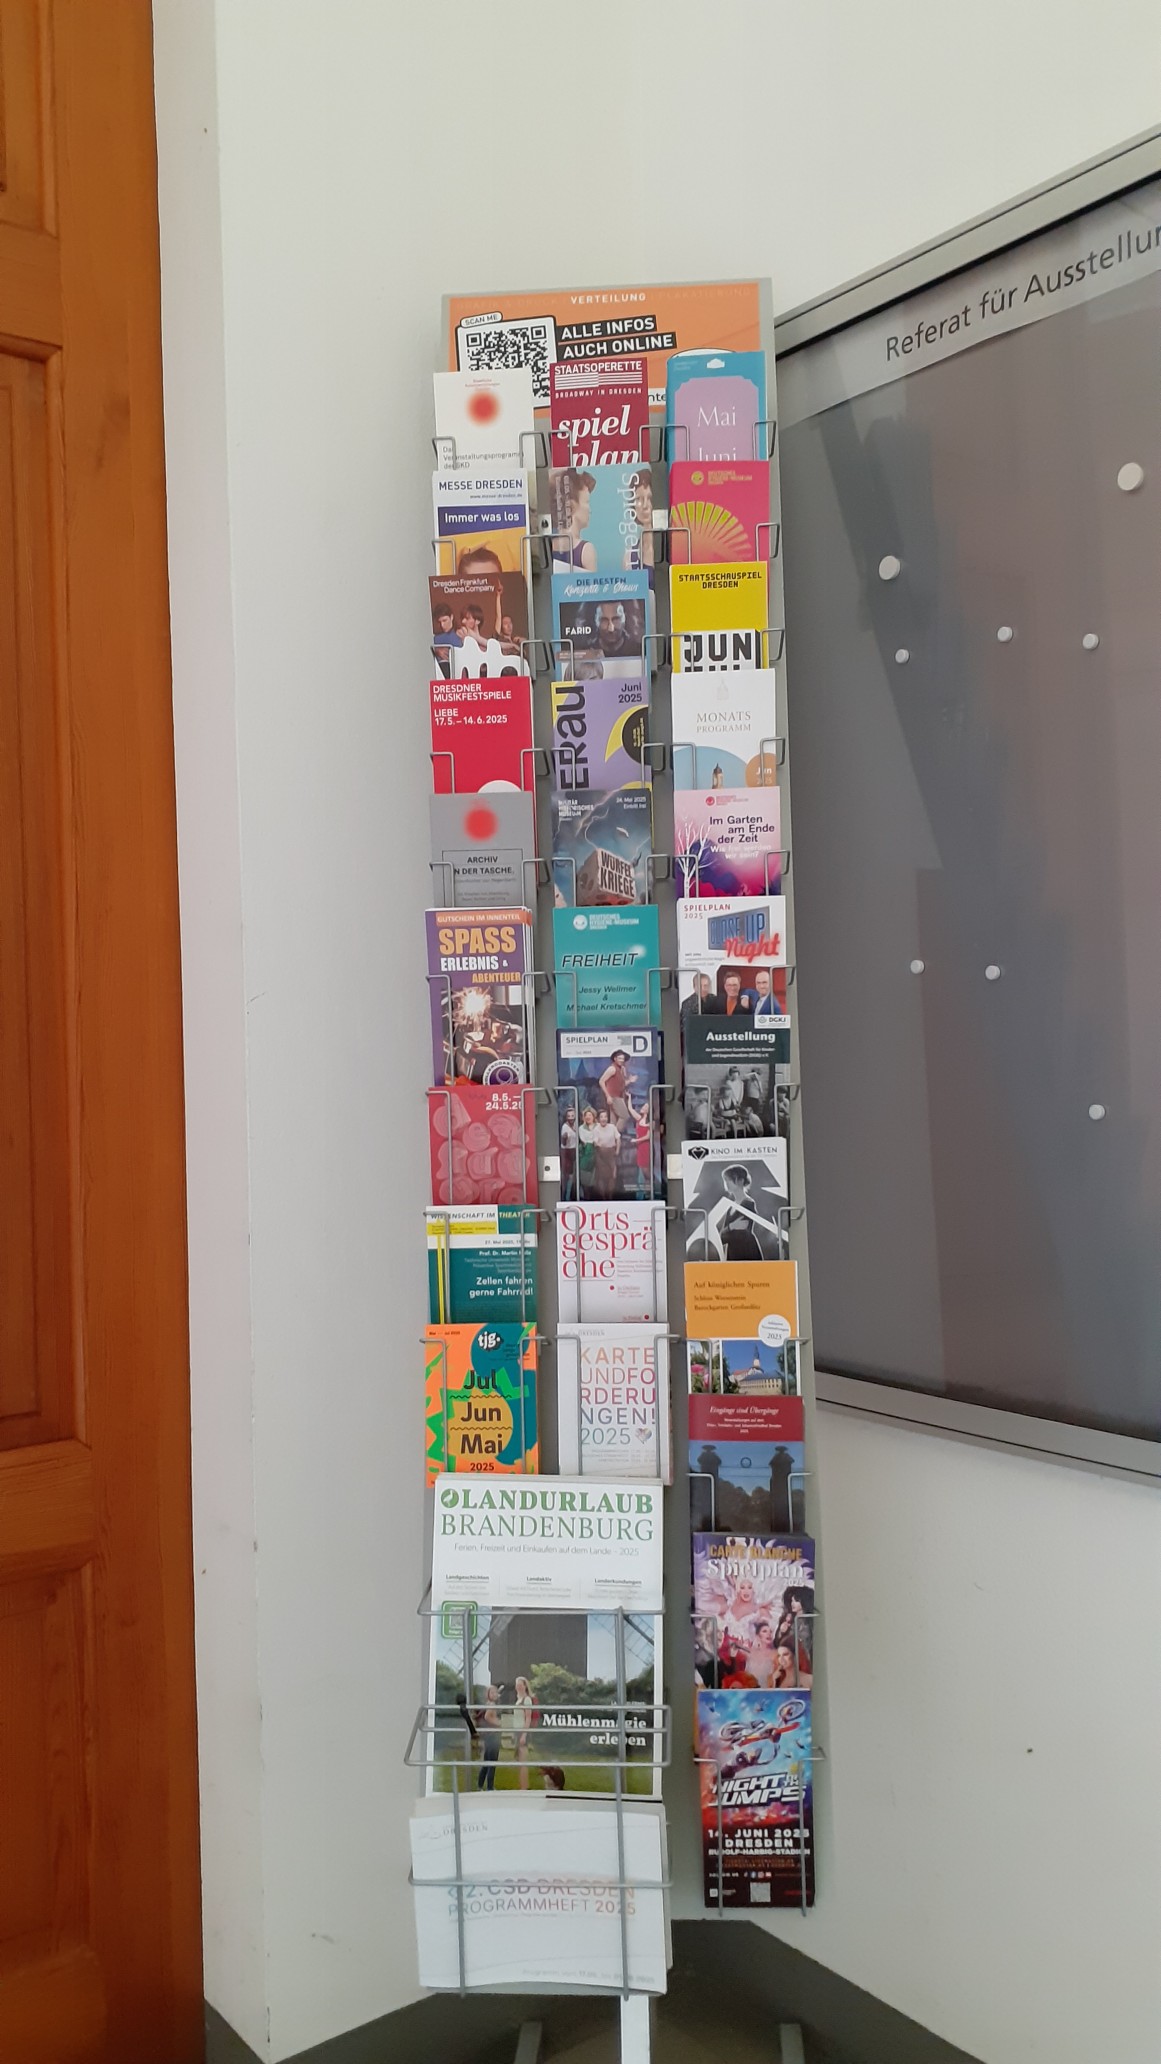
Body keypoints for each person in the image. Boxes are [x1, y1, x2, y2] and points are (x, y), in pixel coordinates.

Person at [701, 1164, 781, 1262]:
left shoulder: (748, 1203)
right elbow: (722, 1237)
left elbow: (741, 1231)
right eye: (725, 1180)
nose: (726, 1183)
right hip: (732, 1252)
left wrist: (729, 1229)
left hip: (747, 1251)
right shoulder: (731, 1207)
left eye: (729, 1180)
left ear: (740, 1180)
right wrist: (732, 1226)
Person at [551, 469, 598, 572]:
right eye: (587, 502)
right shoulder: (586, 550)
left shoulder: (549, 547)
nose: (590, 510)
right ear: (571, 506)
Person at [475, 1687, 502, 1790]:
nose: (494, 1694)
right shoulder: (492, 1705)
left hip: (488, 1736)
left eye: (496, 1692)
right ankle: (490, 1787)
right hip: (493, 1735)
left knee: (487, 1762)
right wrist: (498, 1723)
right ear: (488, 1694)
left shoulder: (488, 1704)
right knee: (492, 1762)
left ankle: (480, 1785)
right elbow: (487, 1717)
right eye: (492, 1692)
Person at [592, 1109, 622, 1198]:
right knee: (601, 1177)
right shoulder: (596, 1129)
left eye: (605, 1117)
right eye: (601, 1117)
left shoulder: (612, 1127)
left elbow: (618, 1139)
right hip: (601, 1154)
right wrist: (601, 1147)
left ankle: (610, 1196)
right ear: (598, 1119)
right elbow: (595, 1142)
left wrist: (617, 1150)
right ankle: (603, 1197)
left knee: (612, 1176)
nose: (603, 1119)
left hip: (611, 1154)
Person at [513, 1676, 535, 1790]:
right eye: (517, 1684)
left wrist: (524, 1735)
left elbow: (528, 1718)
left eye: (520, 1684)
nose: (518, 1686)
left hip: (522, 1731)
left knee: (523, 1762)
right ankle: (521, 1786)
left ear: (525, 1686)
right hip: (517, 1731)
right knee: (519, 1761)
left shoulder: (526, 1700)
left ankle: (524, 1788)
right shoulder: (518, 1700)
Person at [576, 1106, 599, 1197]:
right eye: (586, 1115)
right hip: (586, 1152)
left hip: (597, 1151)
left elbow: (597, 1138)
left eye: (590, 1115)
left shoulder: (598, 1126)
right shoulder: (581, 1128)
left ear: (593, 1116)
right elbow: (583, 1140)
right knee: (585, 1175)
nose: (588, 1117)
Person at [559, 1112, 578, 1200]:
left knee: (574, 1176)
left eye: (572, 1116)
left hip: (575, 1151)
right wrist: (564, 1138)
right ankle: (566, 1197)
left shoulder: (576, 1125)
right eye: (569, 1116)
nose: (571, 1118)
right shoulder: (564, 1127)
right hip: (566, 1152)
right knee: (568, 1176)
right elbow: (564, 1143)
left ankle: (573, 1195)